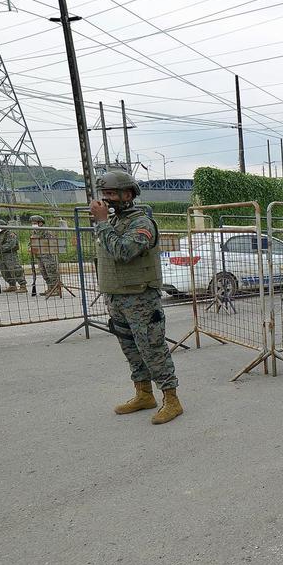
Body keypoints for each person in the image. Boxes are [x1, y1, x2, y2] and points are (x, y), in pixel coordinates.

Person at [88, 171, 183, 425]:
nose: (105, 199)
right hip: (117, 297)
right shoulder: (114, 222)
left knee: (152, 349)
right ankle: (144, 394)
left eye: (110, 194)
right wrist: (104, 224)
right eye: (103, 194)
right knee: (131, 350)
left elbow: (124, 251)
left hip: (140, 299)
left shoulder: (141, 223)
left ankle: (171, 399)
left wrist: (102, 223)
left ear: (127, 195)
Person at [0, 219, 27, 293]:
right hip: (0, 255)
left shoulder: (10, 234)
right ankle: (12, 285)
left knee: (15, 269)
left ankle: (23, 286)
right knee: (4, 271)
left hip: (10, 255)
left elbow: (10, 244)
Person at [29, 214, 63, 297]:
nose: (33, 224)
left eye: (35, 223)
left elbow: (51, 243)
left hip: (47, 256)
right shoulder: (34, 232)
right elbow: (30, 242)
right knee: (44, 273)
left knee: (51, 272)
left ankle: (56, 289)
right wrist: (30, 247)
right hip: (39, 256)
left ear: (40, 223)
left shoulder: (46, 232)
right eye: (32, 223)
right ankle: (50, 288)